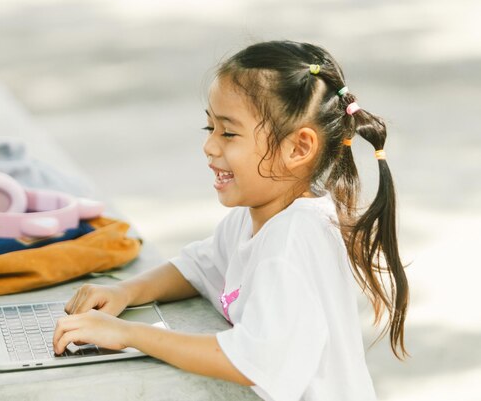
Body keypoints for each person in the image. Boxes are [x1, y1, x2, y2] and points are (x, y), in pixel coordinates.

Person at [52, 40, 409, 401]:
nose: (209, 146)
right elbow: (197, 266)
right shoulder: (259, 217)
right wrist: (124, 292)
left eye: (229, 132)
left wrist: (127, 334)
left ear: (298, 148)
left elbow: (247, 361)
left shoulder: (291, 242)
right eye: (210, 129)